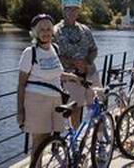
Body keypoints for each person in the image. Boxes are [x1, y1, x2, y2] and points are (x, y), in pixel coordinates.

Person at [17, 14, 82, 164]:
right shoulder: (29, 53)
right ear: (34, 32)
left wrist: (73, 77)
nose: (46, 32)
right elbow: (21, 84)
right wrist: (20, 110)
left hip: (56, 100)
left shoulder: (55, 49)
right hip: (37, 101)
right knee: (39, 141)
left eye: (48, 29)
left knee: (50, 138)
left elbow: (57, 74)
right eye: (41, 29)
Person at [54, 0, 101, 128]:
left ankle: (98, 137)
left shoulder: (85, 30)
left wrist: (86, 63)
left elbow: (94, 50)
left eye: (75, 9)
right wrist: (74, 62)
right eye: (69, 9)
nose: (72, 12)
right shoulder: (56, 31)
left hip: (90, 73)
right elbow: (55, 56)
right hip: (71, 77)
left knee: (96, 105)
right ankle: (76, 142)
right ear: (63, 10)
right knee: (75, 108)